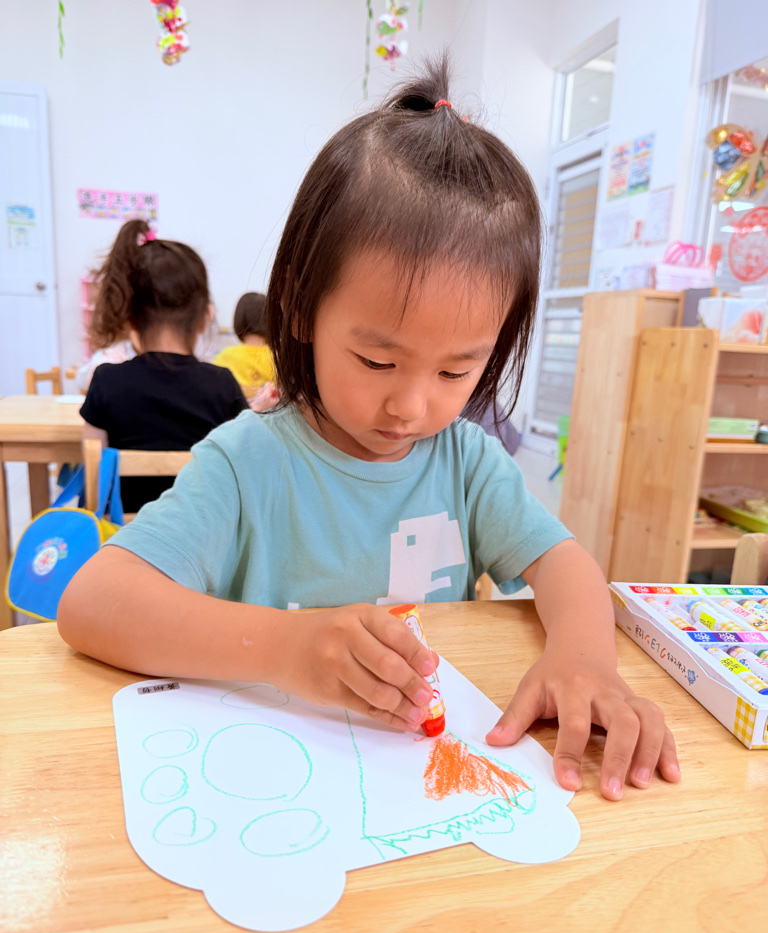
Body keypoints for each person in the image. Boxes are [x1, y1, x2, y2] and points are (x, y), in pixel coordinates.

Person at [59, 57, 679, 801]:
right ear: (298, 307)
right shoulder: (247, 463)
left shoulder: (466, 463)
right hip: (279, 786)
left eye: (456, 370)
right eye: (378, 360)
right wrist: (287, 648)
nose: (411, 407)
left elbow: (566, 565)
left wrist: (585, 660)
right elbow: (92, 604)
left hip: (421, 790)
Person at [79, 220, 248, 512]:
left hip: (127, 536)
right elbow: (242, 474)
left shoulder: (106, 381)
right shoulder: (222, 385)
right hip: (202, 536)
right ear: (205, 318)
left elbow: (94, 478)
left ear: (130, 318)